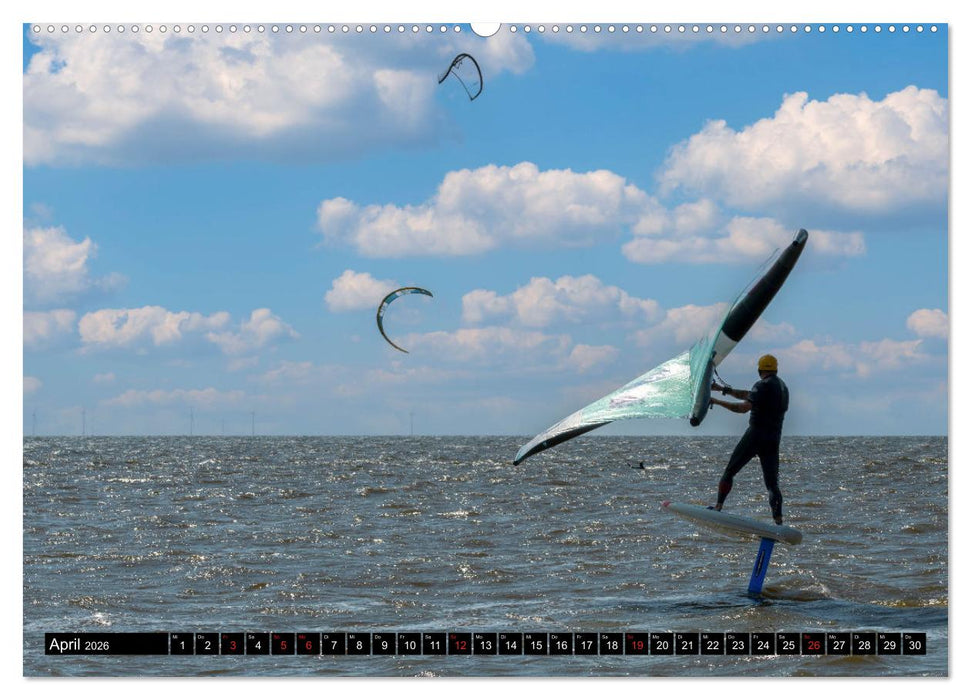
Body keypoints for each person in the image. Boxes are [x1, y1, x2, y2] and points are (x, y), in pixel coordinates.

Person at [709, 354, 789, 524]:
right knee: (772, 485)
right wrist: (723, 389)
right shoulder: (783, 388)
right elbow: (749, 395)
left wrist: (716, 401)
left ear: (759, 370)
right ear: (776, 369)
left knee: (730, 471)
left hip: (755, 436)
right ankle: (778, 521)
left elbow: (743, 408)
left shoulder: (762, 385)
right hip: (773, 439)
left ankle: (718, 506)